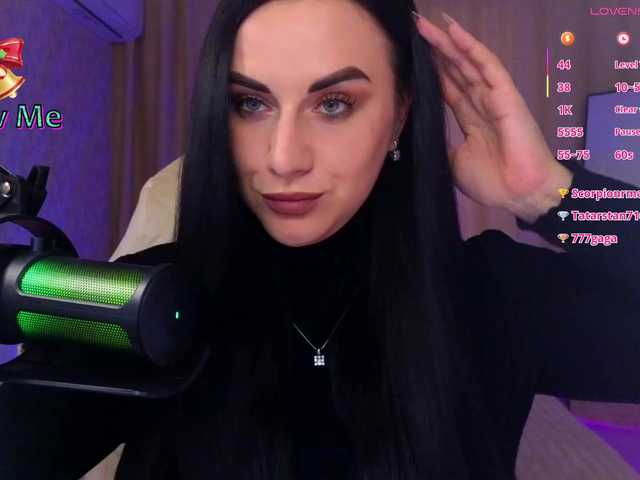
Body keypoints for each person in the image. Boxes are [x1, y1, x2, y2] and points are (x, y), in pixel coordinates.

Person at [0, 0, 638, 479]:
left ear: (401, 113)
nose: (283, 158)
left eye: (333, 104)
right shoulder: (154, 300)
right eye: (250, 104)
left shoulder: (493, 295)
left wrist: (549, 193)